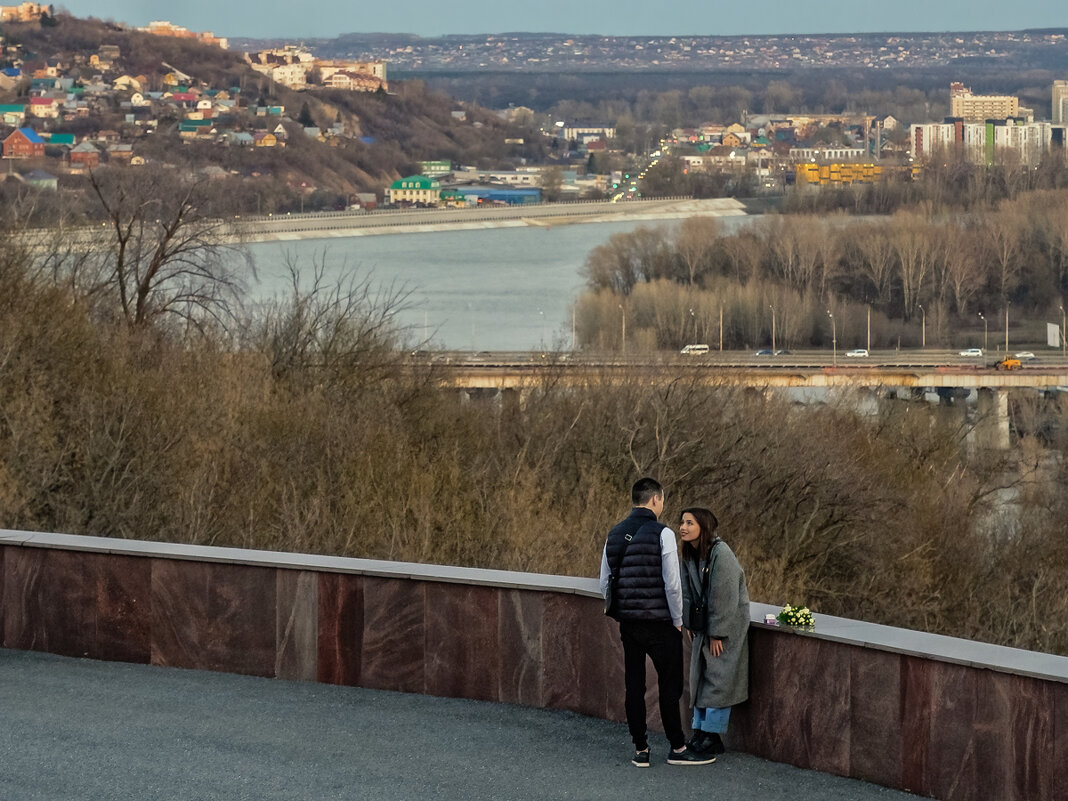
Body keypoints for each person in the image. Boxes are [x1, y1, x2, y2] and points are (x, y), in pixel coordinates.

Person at [600, 478, 715, 767]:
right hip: (661, 623)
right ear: (655, 499)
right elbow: (672, 584)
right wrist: (678, 620)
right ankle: (677, 747)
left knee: (634, 684)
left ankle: (641, 749)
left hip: (629, 623)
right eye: (662, 499)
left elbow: (605, 581)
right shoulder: (662, 533)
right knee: (669, 685)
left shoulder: (614, 533)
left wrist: (619, 609)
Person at [678, 506, 750, 757]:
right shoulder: (690, 554)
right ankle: (700, 731)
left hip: (726, 627)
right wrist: (689, 622)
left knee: (719, 678)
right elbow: (686, 591)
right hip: (703, 626)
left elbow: (725, 595)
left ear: (703, 527)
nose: (683, 527)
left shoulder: (722, 554)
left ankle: (712, 735)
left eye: (689, 523)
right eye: (682, 523)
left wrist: (718, 633)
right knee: (700, 675)